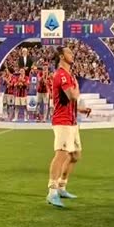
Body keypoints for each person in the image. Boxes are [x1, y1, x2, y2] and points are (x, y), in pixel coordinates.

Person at [46, 46, 91, 208]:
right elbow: (72, 96)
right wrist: (77, 87)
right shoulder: (62, 75)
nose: (73, 54)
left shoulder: (68, 75)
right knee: (61, 155)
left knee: (75, 155)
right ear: (61, 56)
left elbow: (68, 101)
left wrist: (80, 109)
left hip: (72, 121)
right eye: (69, 52)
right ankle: (52, 192)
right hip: (62, 121)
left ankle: (61, 186)